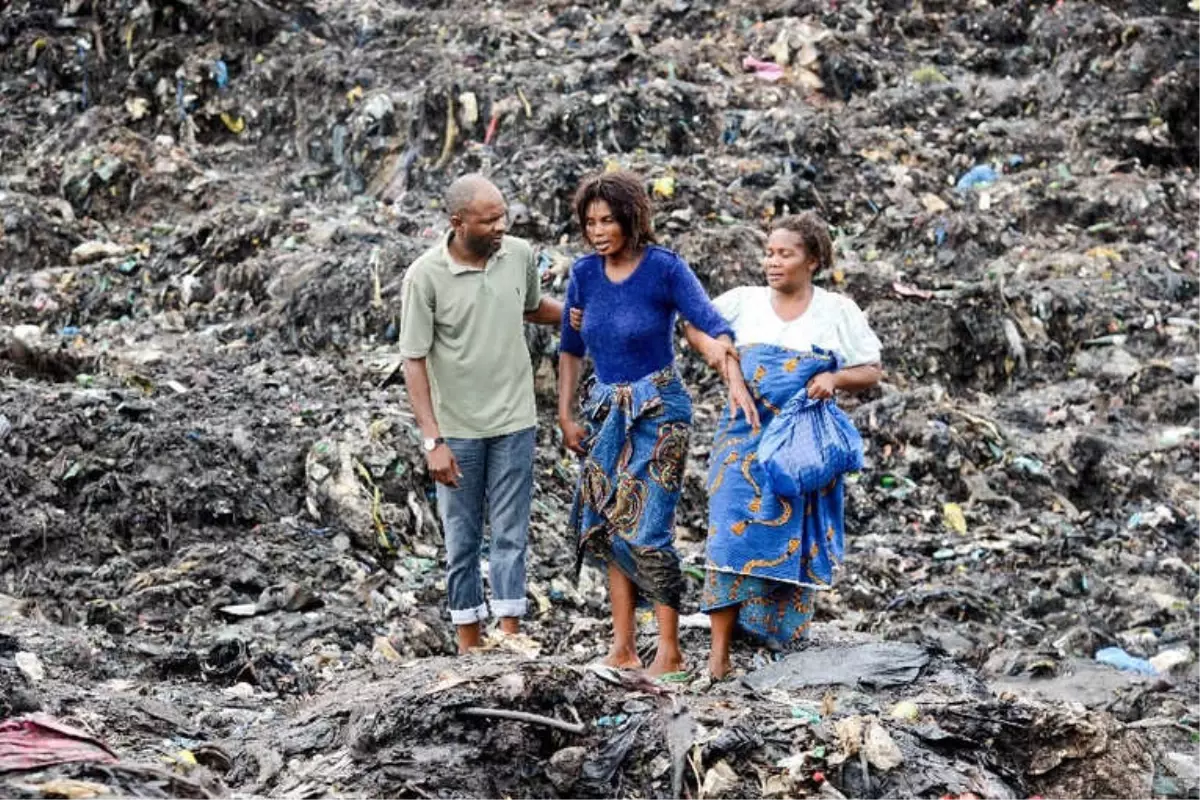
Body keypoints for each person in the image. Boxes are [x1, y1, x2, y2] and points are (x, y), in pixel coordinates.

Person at [557, 170, 755, 677]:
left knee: (649, 525)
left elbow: (707, 320)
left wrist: (726, 358)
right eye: (590, 222)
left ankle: (668, 648)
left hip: (659, 410)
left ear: (632, 219)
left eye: (609, 221)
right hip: (604, 410)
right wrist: (564, 413)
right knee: (606, 525)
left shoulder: (663, 268)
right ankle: (621, 645)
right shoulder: (583, 274)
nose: (598, 231)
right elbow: (571, 349)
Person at [686, 211, 883, 679]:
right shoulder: (742, 302)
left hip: (799, 448)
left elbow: (872, 368)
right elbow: (693, 325)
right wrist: (727, 365)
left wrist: (833, 378)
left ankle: (779, 647)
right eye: (769, 252)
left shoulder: (836, 311)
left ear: (812, 260)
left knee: (790, 537)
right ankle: (718, 657)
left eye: (785, 254)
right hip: (741, 439)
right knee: (728, 536)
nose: (773, 262)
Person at [399, 174, 563, 655]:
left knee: (511, 533)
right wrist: (433, 440)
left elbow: (533, 308)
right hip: (459, 430)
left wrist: (584, 312)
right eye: (489, 220)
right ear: (457, 222)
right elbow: (413, 359)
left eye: (503, 217)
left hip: (515, 421)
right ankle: (470, 645)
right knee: (463, 539)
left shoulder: (518, 256)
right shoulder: (425, 276)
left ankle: (510, 637)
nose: (500, 228)